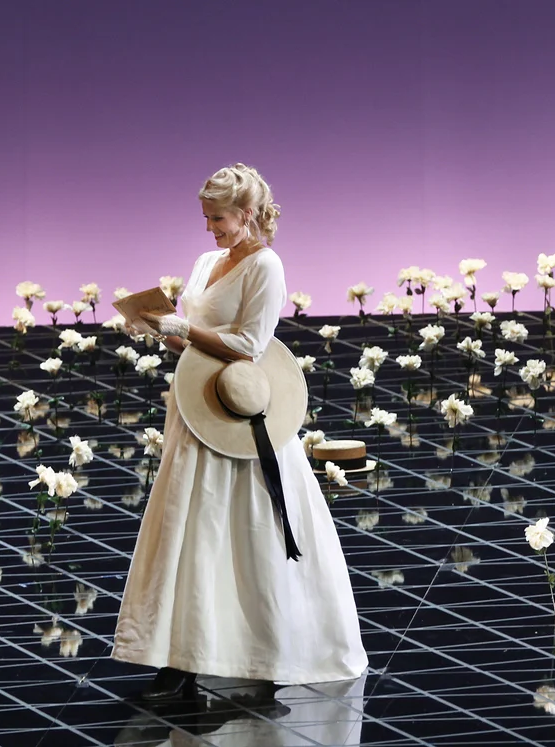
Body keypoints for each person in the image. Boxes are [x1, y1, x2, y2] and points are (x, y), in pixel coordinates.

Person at [112, 163, 368, 699]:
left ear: (247, 213)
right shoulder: (207, 261)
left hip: (236, 415)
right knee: (189, 530)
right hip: (195, 405)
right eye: (206, 219)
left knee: (247, 528)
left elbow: (250, 346)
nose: (210, 229)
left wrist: (184, 328)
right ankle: (179, 657)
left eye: (219, 219)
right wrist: (158, 328)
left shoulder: (266, 266)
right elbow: (192, 340)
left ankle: (264, 650)